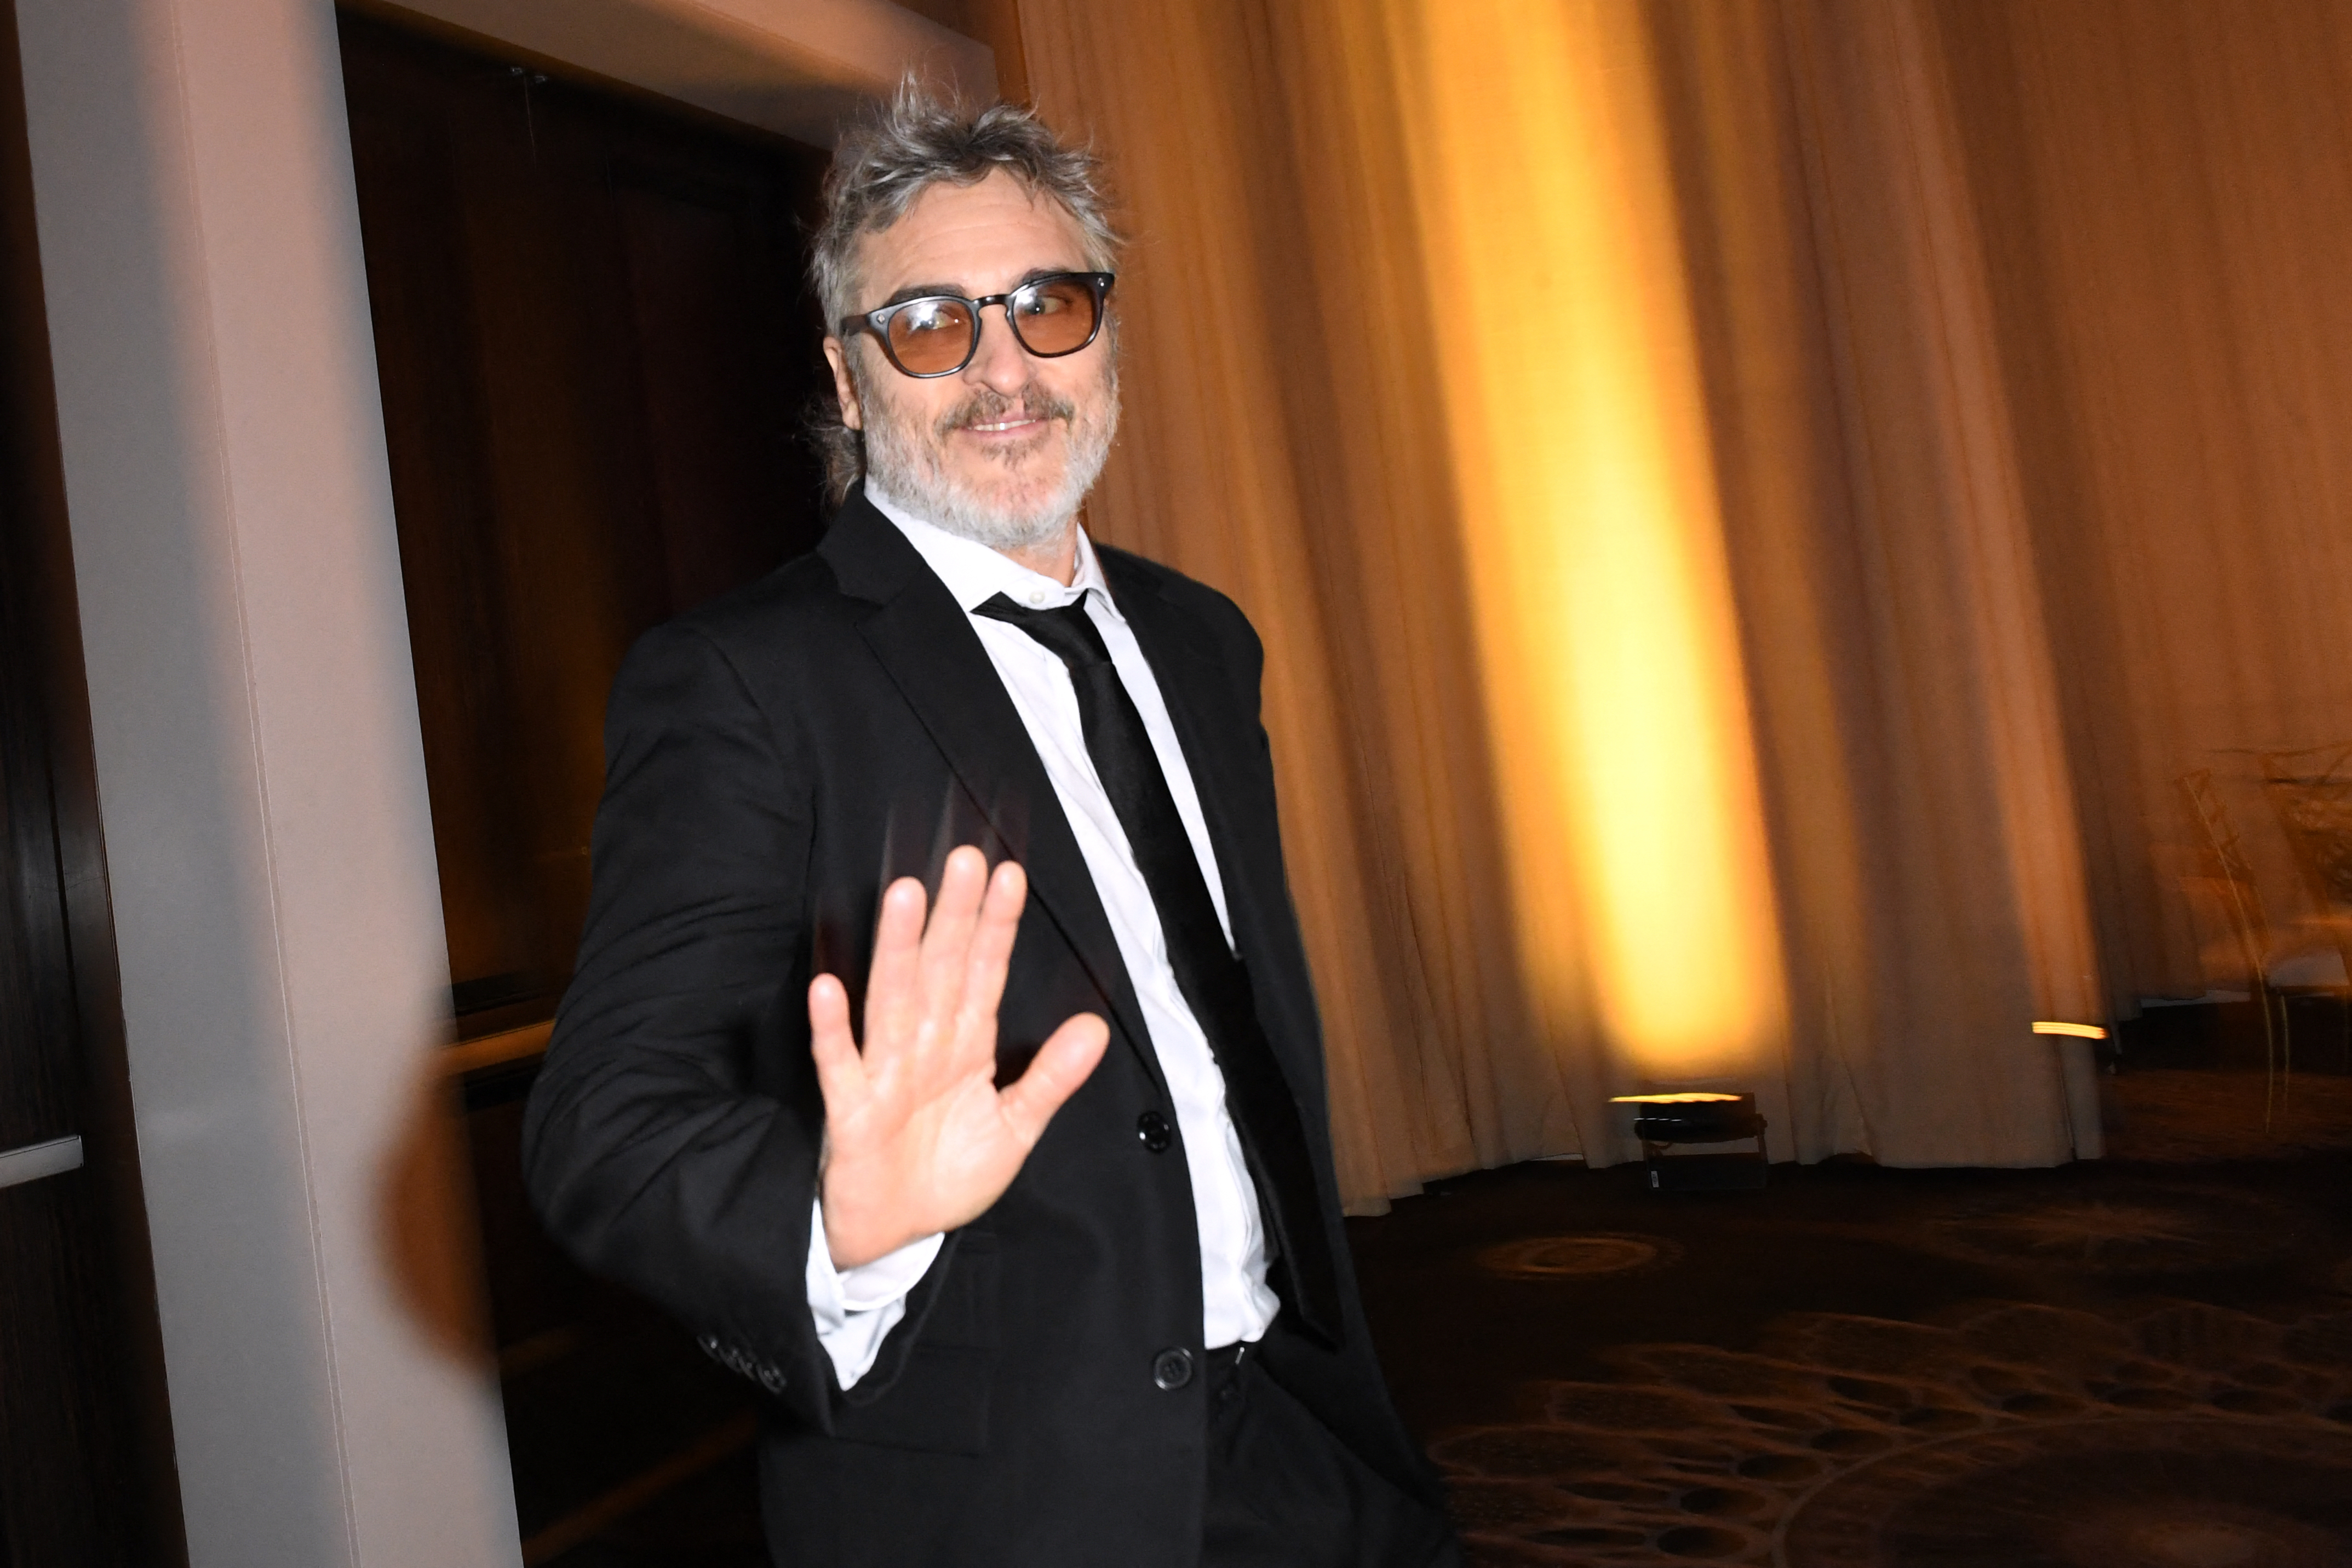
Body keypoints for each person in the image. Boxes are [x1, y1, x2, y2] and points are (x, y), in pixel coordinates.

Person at [522, 84, 1459, 1567]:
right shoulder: (745, 681)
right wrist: (838, 1219)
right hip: (1003, 1503)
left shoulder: (1203, 640)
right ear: (848, 377)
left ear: (1109, 335)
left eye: (1046, 304)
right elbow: (604, 1130)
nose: (1003, 367)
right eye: (931, 323)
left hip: (1303, 1433)